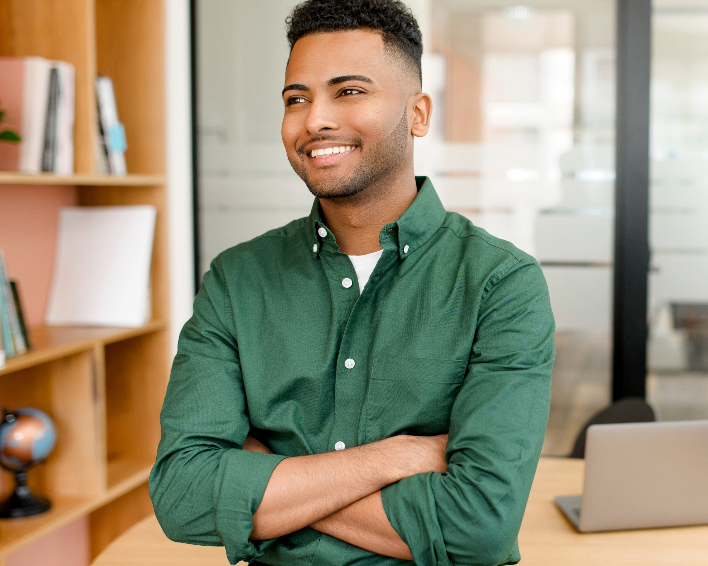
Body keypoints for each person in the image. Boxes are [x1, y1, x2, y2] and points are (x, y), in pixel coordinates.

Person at [149, 1, 555, 564]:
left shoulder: (500, 283)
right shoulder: (236, 280)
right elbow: (182, 495)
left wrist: (264, 476)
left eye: (349, 91)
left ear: (417, 114)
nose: (314, 119)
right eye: (297, 98)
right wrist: (394, 459)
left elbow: (479, 526)